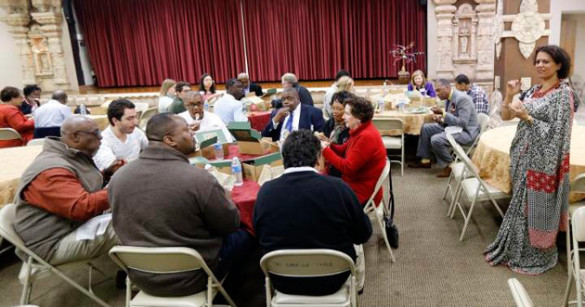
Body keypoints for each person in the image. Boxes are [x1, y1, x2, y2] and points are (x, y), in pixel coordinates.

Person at [109, 113, 250, 297]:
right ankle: (230, 295)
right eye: (186, 129)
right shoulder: (199, 179)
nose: (192, 133)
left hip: (142, 277)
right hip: (193, 277)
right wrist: (227, 198)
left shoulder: (118, 178)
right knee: (246, 235)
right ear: (169, 140)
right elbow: (229, 225)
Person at [485, 45, 577, 274]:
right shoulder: (533, 91)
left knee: (536, 209)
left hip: (543, 162)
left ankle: (536, 253)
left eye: (546, 61)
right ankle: (515, 249)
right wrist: (509, 94)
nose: (540, 65)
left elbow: (558, 134)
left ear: (559, 65)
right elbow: (506, 116)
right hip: (523, 157)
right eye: (538, 61)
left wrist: (527, 118)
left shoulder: (563, 95)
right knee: (519, 207)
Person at [254, 130, 372, 295]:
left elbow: (260, 235)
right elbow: (363, 234)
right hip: (333, 277)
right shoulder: (339, 189)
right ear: (318, 158)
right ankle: (357, 291)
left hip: (283, 280)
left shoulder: (266, 192)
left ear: (283, 160)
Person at [13, 116, 121, 265]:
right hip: (51, 243)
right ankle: (146, 276)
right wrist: (123, 186)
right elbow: (81, 207)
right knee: (130, 224)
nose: (101, 137)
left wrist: (107, 174)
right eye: (96, 133)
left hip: (70, 226)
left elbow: (76, 187)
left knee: (129, 213)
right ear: (75, 136)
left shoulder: (69, 155)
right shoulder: (51, 170)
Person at [321, 96, 386, 205]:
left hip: (361, 192)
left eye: (347, 113)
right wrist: (330, 146)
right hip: (357, 184)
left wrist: (325, 151)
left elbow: (348, 168)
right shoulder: (360, 130)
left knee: (317, 194)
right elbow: (344, 149)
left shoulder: (366, 136)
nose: (343, 116)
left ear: (358, 117)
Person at [408, 79, 479, 178]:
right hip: (454, 128)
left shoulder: (462, 99)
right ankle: (425, 160)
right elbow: (452, 117)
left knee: (436, 139)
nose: (437, 94)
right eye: (436, 90)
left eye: (438, 90)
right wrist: (440, 119)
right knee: (426, 128)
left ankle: (450, 165)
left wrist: (443, 114)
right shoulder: (448, 98)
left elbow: (462, 123)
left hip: (466, 132)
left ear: (448, 88)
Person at [93, 99, 148, 171]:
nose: (135, 122)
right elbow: (113, 169)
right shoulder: (103, 141)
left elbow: (151, 150)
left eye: (135, 117)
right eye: (129, 119)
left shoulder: (136, 132)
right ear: (115, 121)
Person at [318, 91, 353, 177]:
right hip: (328, 164)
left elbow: (346, 152)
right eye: (333, 108)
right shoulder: (330, 123)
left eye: (339, 109)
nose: (335, 112)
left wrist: (330, 144)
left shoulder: (351, 127)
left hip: (342, 168)